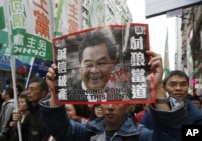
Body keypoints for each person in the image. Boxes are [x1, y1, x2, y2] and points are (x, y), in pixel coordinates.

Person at [39, 51, 188, 141]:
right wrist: (54, 92)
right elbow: (59, 129)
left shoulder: (140, 136)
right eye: (106, 100)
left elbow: (169, 137)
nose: (110, 107)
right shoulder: (88, 132)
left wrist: (157, 88)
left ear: (128, 106)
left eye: (117, 101)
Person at [67, 30, 117, 102]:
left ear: (113, 65)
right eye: (88, 64)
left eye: (101, 63)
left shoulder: (120, 99)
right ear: (80, 66)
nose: (94, 70)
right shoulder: (66, 101)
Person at [13, 76, 50, 141]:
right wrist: (18, 122)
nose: (28, 92)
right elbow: (21, 136)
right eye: (28, 89)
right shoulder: (30, 114)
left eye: (32, 89)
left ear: (43, 93)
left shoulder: (47, 115)